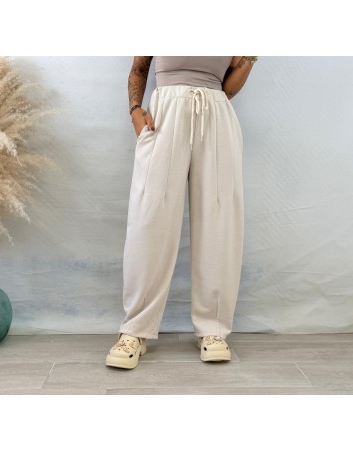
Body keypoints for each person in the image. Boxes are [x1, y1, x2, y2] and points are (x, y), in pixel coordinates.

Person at [106, 56, 258, 369]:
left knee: (220, 219)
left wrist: (252, 56)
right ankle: (134, 329)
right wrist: (135, 110)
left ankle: (213, 329)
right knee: (149, 218)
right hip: (164, 114)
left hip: (215, 113)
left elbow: (228, 89)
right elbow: (139, 68)